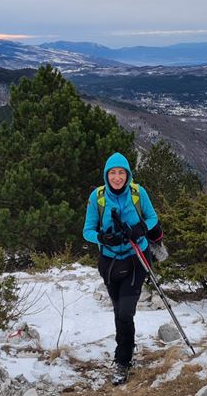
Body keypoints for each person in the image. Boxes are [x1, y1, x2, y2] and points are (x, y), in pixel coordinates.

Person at [83, 152, 163, 385]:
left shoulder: (138, 193)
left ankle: (122, 360)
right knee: (119, 312)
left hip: (136, 257)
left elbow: (152, 218)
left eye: (121, 173)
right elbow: (87, 230)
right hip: (109, 263)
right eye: (113, 173)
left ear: (128, 175)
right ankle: (126, 347)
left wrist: (139, 229)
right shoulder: (97, 197)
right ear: (106, 175)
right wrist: (102, 238)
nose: (117, 177)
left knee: (126, 311)